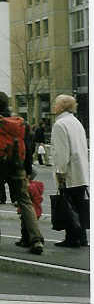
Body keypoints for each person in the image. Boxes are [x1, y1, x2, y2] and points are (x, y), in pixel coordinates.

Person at [0, 91, 43, 254]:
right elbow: (27, 148)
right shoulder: (19, 122)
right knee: (25, 202)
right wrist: (26, 169)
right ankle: (36, 239)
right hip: (16, 167)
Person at [50, 94, 89, 248]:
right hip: (80, 172)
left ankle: (72, 237)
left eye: (56, 103)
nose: (53, 105)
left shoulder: (60, 125)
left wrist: (60, 173)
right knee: (79, 205)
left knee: (69, 206)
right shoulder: (76, 122)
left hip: (70, 173)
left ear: (62, 106)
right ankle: (82, 237)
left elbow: (61, 152)